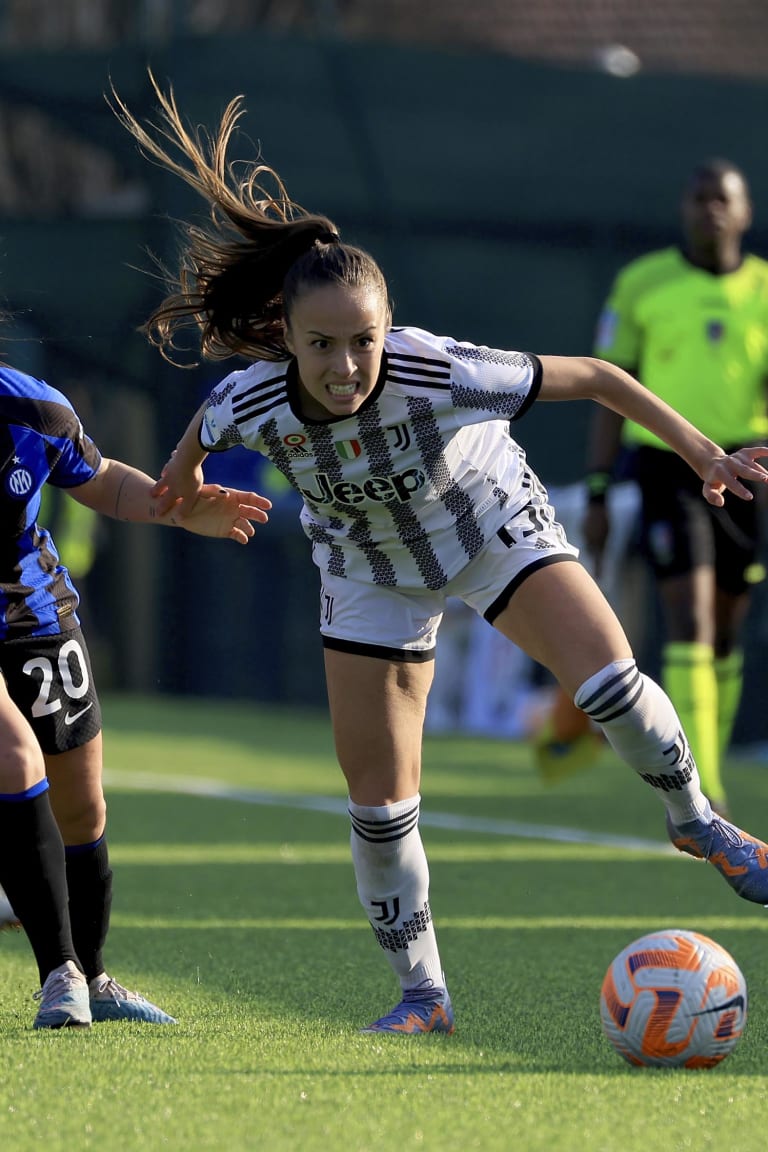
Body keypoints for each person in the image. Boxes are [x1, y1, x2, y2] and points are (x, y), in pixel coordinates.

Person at [112, 75, 768, 1036]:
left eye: (363, 342)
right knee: (380, 810)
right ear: (285, 341)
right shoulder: (246, 400)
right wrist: (186, 508)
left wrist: (704, 452)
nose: (344, 366)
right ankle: (424, 996)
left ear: (390, 330)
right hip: (368, 574)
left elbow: (597, 377)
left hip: (491, 528)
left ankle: (695, 818)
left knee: (613, 685)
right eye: (321, 345)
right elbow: (187, 465)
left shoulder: (437, 370)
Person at [0, 358, 271, 1028]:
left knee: (82, 809)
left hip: (36, 616)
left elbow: (99, 480)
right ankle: (58, 974)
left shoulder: (35, 410)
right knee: (13, 759)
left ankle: (92, 977)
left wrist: (176, 511)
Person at [580, 159, 768, 818]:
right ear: (683, 208)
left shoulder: (766, 290)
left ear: (744, 212)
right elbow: (607, 392)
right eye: (699, 197)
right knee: (688, 617)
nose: (710, 208)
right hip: (669, 465)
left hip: (749, 467)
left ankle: (707, 761)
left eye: (723, 199)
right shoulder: (642, 283)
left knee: (725, 631)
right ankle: (704, 786)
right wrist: (599, 491)